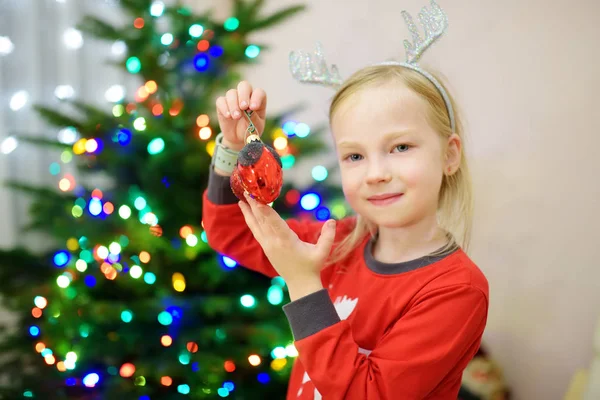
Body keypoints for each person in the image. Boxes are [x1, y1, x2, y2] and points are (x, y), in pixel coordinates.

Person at [202, 3, 488, 398]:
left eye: (400, 147)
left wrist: (304, 283)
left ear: (450, 154)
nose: (375, 173)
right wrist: (235, 146)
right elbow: (229, 231)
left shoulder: (456, 290)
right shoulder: (335, 243)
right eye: (355, 156)